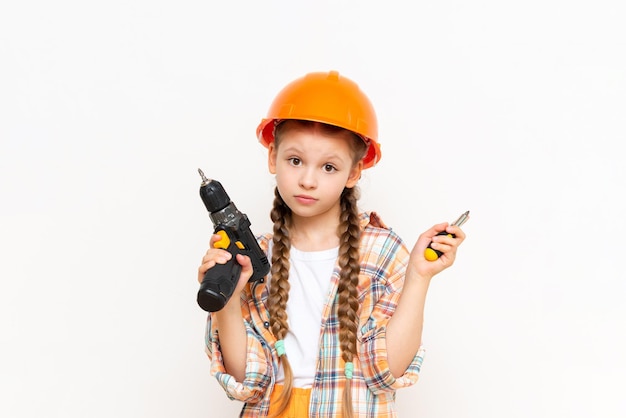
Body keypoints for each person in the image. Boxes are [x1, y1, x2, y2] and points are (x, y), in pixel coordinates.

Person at [198, 70, 467, 418]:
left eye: (328, 167)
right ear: (272, 157)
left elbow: (388, 370)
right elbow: (246, 379)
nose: (308, 180)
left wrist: (419, 276)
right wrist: (229, 301)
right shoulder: (253, 258)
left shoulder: (382, 252)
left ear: (353, 173)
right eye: (295, 161)